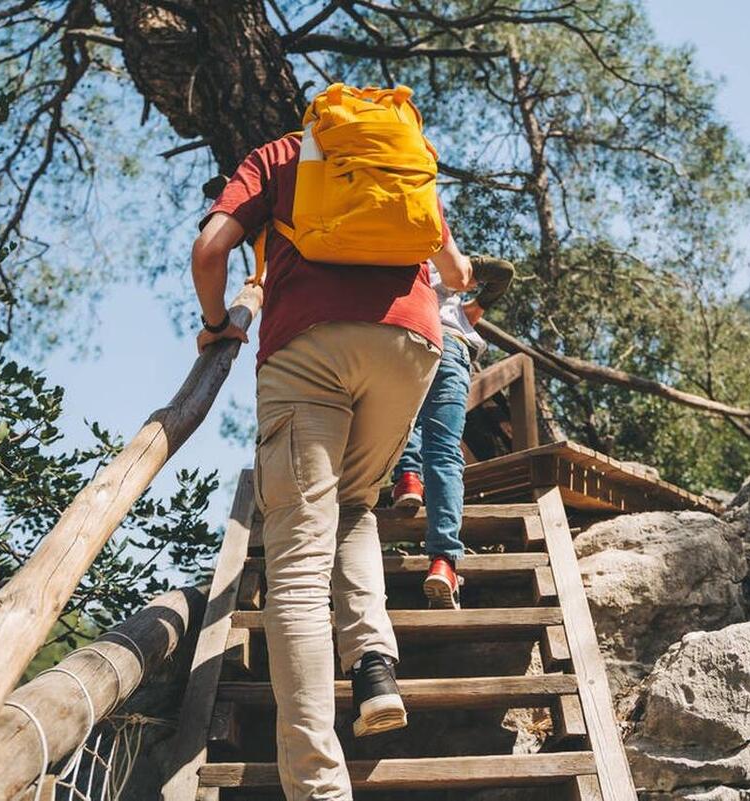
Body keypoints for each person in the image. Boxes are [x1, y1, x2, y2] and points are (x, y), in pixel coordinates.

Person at [190, 130, 473, 800]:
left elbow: (210, 250)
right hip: (410, 344)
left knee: (294, 572)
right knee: (352, 504)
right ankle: (373, 666)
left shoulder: (276, 157)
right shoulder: (395, 153)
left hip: (308, 348)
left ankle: (319, 786)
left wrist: (216, 322)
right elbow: (455, 272)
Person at [391, 257, 515, 609]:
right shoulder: (444, 262)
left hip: (403, 341)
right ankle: (444, 562)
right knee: (444, 451)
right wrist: (475, 307)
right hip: (449, 343)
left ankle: (408, 479)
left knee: (401, 421)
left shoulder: (387, 259)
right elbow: (502, 271)